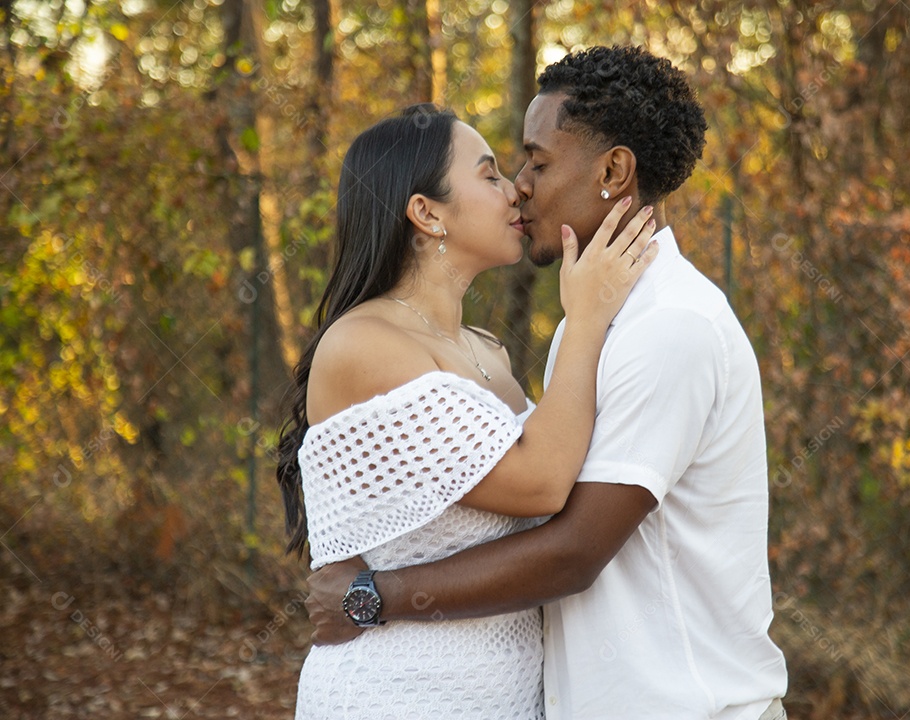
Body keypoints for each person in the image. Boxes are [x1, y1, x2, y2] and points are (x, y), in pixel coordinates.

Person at [306, 46, 789, 720]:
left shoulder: (667, 325)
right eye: (504, 170)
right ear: (425, 212)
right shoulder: (588, 322)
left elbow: (572, 549)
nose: (519, 186)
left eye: (535, 161)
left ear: (613, 171)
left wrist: (372, 595)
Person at [275, 103, 659, 718]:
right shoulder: (363, 344)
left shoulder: (486, 351)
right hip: (395, 697)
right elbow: (541, 483)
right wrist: (586, 317)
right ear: (426, 213)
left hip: (501, 698)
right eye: (490, 175)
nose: (516, 190)